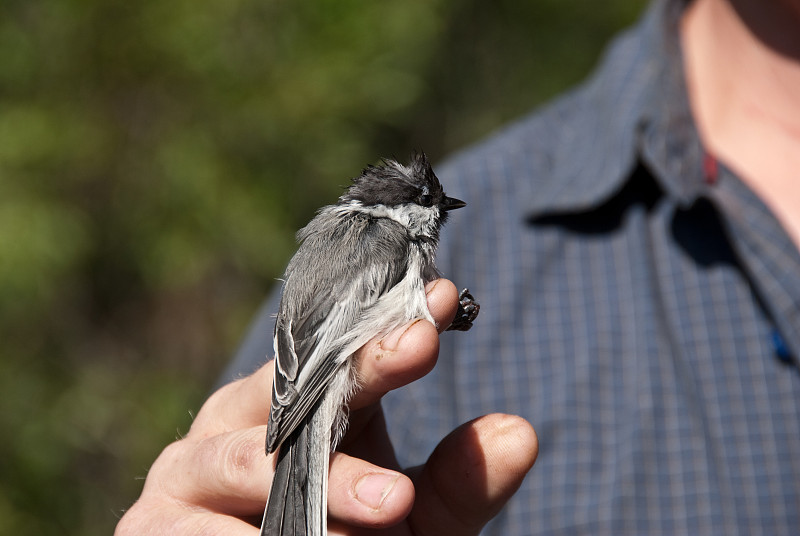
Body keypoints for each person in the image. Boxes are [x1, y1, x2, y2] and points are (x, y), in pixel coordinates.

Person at [116, 0, 800, 533]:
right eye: (429, 207)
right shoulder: (438, 232)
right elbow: (329, 347)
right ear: (401, 209)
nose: (437, 218)